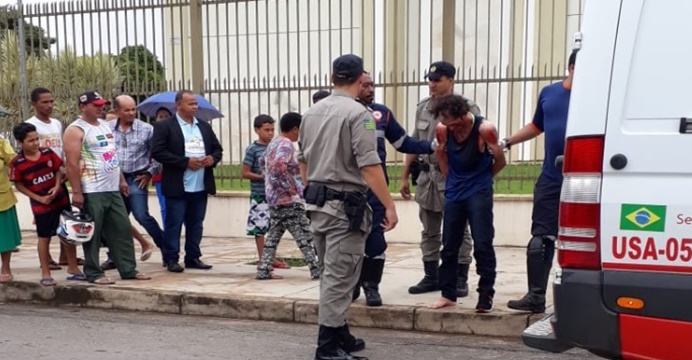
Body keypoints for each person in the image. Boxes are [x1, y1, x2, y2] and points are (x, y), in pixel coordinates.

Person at [299, 53, 398, 360]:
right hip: (344, 207)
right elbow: (369, 165)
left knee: (333, 272)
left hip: (318, 206)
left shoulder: (311, 113)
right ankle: (327, 348)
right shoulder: (360, 115)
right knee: (340, 277)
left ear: (332, 79)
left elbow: (302, 160)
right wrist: (390, 206)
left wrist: (311, 189)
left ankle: (339, 333)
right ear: (359, 80)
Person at [351, 72, 437, 307]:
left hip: (375, 188)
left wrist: (432, 145)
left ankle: (371, 286)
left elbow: (402, 143)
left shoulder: (381, 113)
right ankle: (352, 284)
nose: (370, 89)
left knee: (375, 238)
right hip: (347, 188)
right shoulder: (343, 112)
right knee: (349, 239)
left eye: (372, 85)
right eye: (365, 85)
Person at [400, 61, 481, 298]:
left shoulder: (467, 108)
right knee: (429, 229)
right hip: (427, 178)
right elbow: (414, 142)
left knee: (459, 229)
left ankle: (459, 277)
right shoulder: (423, 108)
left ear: (451, 80)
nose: (432, 84)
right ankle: (431, 275)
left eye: (438, 80)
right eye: (430, 79)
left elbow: (475, 144)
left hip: (454, 177)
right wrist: (405, 176)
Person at [504, 51, 576, 314]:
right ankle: (536, 295)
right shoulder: (549, 93)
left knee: (585, 239)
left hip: (587, 180)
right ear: (570, 67)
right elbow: (536, 126)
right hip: (550, 177)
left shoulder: (600, 95)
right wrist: (507, 141)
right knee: (540, 237)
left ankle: (579, 297)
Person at [427, 94, 506, 312]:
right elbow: (442, 156)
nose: (449, 127)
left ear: (462, 116)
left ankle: (485, 294)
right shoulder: (443, 130)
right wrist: (451, 181)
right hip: (455, 191)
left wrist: (484, 179)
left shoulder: (484, 129)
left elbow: (501, 160)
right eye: (445, 122)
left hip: (478, 191)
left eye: (452, 123)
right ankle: (448, 294)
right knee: (450, 244)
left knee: (482, 243)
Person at [63, 90, 150, 284]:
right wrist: (77, 192)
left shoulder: (104, 125)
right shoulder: (75, 130)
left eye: (102, 104)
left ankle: (128, 269)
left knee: (121, 228)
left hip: (112, 187)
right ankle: (94, 272)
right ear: (83, 107)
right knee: (93, 233)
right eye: (96, 105)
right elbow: (71, 163)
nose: (100, 108)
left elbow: (111, 155)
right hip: (92, 189)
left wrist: (121, 180)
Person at [151, 90, 223, 273]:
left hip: (200, 185)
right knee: (174, 223)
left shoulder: (204, 127)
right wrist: (184, 162)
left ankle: (193, 256)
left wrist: (211, 159)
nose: (195, 107)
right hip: (178, 184)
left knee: (196, 223)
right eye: (190, 103)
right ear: (179, 105)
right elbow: (157, 152)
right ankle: (171, 258)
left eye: (196, 103)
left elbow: (217, 149)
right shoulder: (165, 126)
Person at [9, 123, 85, 286]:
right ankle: (46, 272)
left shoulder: (47, 153)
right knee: (44, 238)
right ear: (20, 143)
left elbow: (59, 170)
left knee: (68, 234)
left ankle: (73, 268)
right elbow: (19, 185)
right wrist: (38, 197)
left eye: (37, 139)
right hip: (41, 206)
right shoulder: (17, 163)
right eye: (31, 141)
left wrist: (57, 187)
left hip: (61, 199)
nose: (36, 143)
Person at [255, 112, 320, 280]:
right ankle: (316, 269)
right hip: (288, 199)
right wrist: (292, 189)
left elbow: (263, 161)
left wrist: (269, 181)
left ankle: (264, 270)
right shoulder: (286, 144)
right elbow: (280, 166)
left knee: (273, 237)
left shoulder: (273, 142)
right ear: (295, 129)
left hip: (274, 198)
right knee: (304, 234)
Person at [25, 87, 83, 269]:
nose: (49, 105)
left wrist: (64, 167)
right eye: (44, 102)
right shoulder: (31, 124)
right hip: (41, 180)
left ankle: (65, 256)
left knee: (65, 218)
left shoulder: (56, 123)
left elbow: (61, 148)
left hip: (59, 175)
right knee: (45, 222)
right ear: (34, 104)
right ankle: (47, 259)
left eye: (51, 101)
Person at [106, 95, 162, 258]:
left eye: (133, 109)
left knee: (141, 215)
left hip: (136, 178)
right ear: (117, 111)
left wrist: (150, 173)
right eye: (127, 110)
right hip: (113, 179)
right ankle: (114, 257)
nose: (131, 113)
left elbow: (158, 155)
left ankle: (166, 248)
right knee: (116, 220)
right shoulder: (106, 128)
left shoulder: (146, 129)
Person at [243, 115, 289, 270]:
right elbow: (245, 172)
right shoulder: (252, 149)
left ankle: (271, 256)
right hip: (259, 195)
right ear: (257, 130)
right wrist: (264, 177)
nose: (270, 133)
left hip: (275, 195)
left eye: (272, 130)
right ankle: (263, 259)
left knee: (275, 228)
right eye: (266, 130)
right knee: (260, 228)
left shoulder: (276, 147)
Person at [0, 135, 21, 284]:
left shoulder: (1, 142)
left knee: (4, 235)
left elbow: (14, 160)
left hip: (2, 195)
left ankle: (5, 268)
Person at [151, 107, 173, 224]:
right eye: (161, 117)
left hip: (176, 175)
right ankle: (167, 234)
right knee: (165, 207)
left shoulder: (176, 134)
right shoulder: (152, 135)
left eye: (166, 116)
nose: (164, 119)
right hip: (160, 176)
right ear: (156, 119)